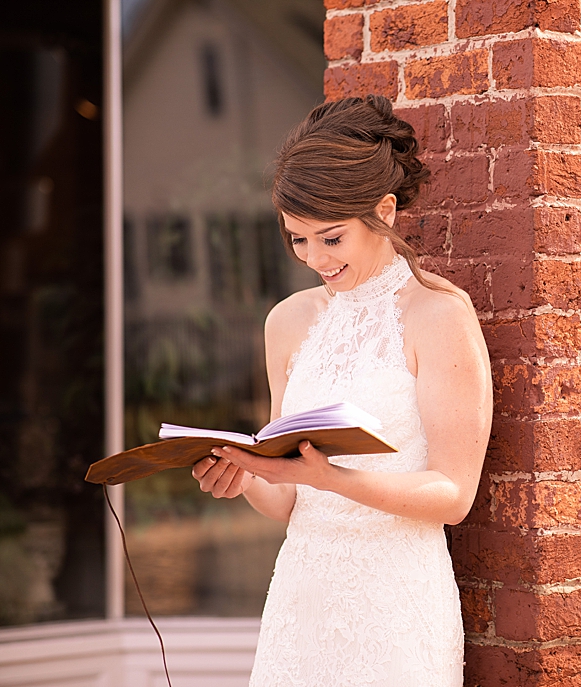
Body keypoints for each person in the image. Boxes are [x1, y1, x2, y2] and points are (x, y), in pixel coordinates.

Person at [188, 95, 492, 685]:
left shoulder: (439, 316)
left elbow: (454, 495)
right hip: (303, 598)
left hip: (395, 604)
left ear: (384, 210)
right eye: (297, 240)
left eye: (331, 239)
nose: (314, 259)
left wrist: (331, 478)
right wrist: (244, 471)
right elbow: (284, 501)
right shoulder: (287, 322)